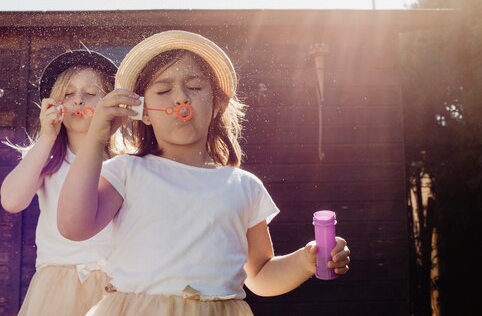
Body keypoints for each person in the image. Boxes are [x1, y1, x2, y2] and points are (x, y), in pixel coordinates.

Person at [57, 31, 351, 316]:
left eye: (195, 87)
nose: (180, 99)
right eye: (163, 90)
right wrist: (96, 138)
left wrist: (305, 261)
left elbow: (260, 274)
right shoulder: (127, 172)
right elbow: (74, 226)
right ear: (143, 112)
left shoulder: (243, 187)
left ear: (216, 105)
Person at [0, 49, 118, 316]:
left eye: (90, 93)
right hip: (58, 285)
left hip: (116, 285)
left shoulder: (124, 161)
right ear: (54, 104)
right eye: (68, 93)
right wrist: (46, 138)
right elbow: (12, 201)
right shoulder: (47, 157)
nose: (78, 100)